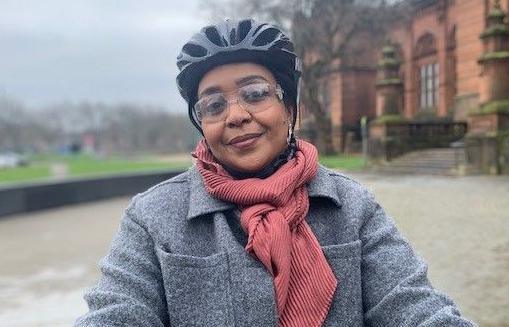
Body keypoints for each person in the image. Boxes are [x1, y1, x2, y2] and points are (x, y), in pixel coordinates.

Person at [75, 18, 476, 327]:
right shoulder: (151, 217)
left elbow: (414, 306)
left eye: (255, 94)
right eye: (213, 106)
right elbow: (117, 310)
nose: (236, 115)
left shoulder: (352, 207)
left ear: (289, 109)